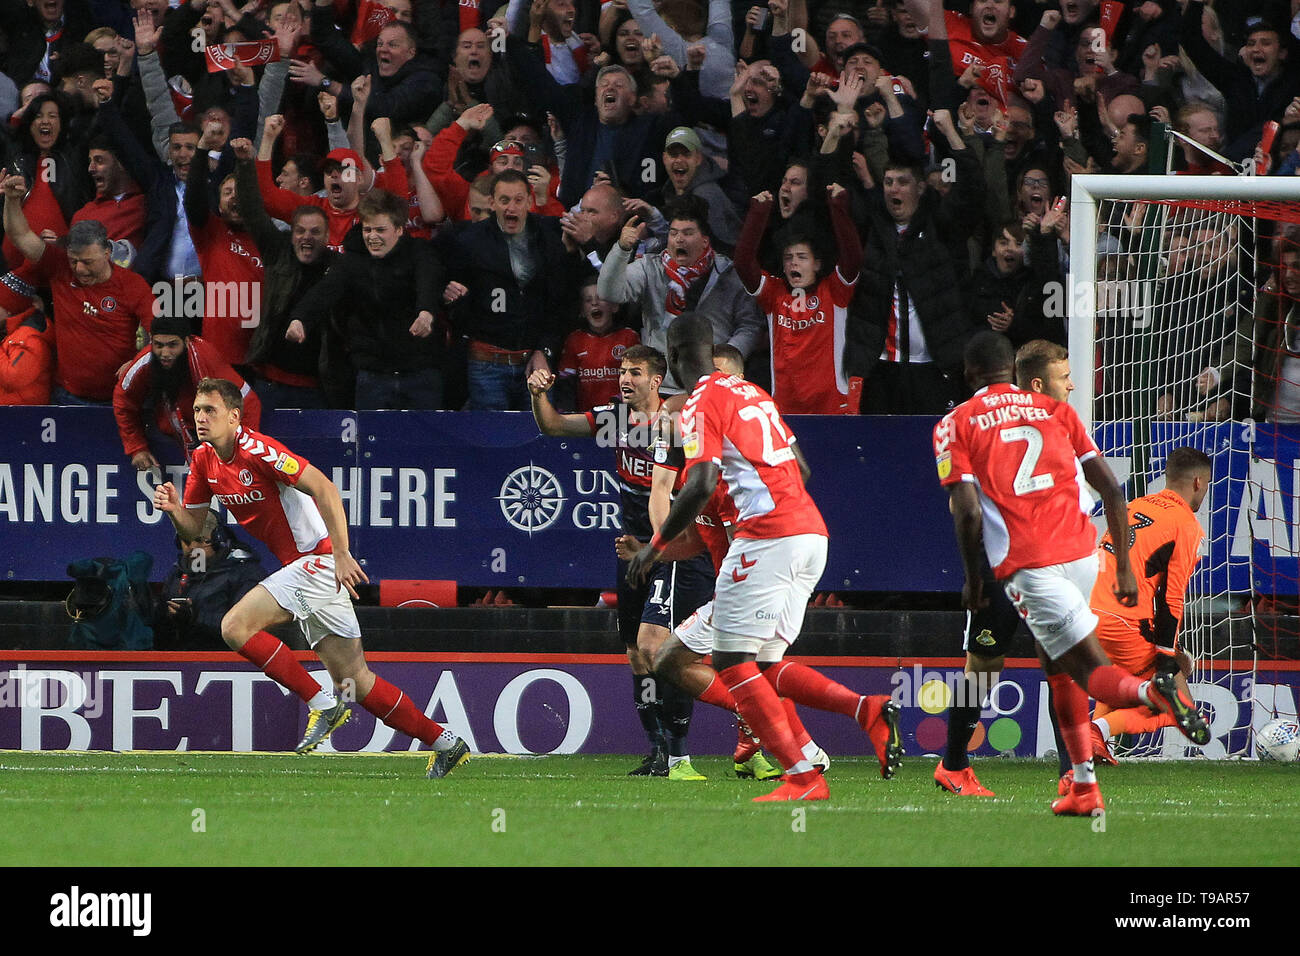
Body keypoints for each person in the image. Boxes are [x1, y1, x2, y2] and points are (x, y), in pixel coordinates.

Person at [934, 331, 1211, 816]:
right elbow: (1107, 487)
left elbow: (966, 506)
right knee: (997, 666)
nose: (1073, 387)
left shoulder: (961, 423)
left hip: (1042, 559)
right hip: (1027, 561)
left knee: (1060, 667)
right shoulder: (1043, 418)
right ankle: (956, 764)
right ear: (1033, 380)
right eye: (1065, 378)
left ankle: (1074, 774)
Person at [627, 312, 901, 801]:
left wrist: (656, 545)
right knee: (764, 664)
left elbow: (701, 482)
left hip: (767, 538)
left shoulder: (697, 403)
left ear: (670, 359)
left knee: (733, 662)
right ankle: (865, 710)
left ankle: (801, 774)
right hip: (809, 533)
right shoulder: (752, 393)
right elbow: (802, 467)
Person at [151, 377, 471, 776]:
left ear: (234, 417)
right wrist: (174, 511)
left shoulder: (259, 450)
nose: (199, 417)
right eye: (197, 410)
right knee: (356, 678)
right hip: (304, 569)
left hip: (317, 562)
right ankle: (446, 742)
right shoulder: (203, 460)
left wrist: (340, 553)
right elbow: (195, 530)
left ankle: (320, 703)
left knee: (234, 626)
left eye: (209, 410)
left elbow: (324, 487)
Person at [528, 345, 708, 778]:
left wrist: (660, 547)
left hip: (671, 551)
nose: (625, 379)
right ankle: (658, 750)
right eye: (622, 371)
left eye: (635, 372)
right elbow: (553, 426)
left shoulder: (678, 422)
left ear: (656, 380)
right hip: (630, 550)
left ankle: (681, 751)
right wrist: (538, 395)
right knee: (634, 652)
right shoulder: (612, 418)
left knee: (662, 647)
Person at [1086, 446, 1212, 770]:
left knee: (1120, 681)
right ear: (1198, 482)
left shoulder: (1134, 506)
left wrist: (1170, 649)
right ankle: (1097, 731)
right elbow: (1171, 598)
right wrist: (1167, 657)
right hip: (1124, 619)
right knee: (1178, 707)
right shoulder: (1186, 525)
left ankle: (1097, 744)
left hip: (1089, 614)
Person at [0, 194, 155, 405]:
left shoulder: (132, 285)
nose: (80, 269)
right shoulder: (58, 266)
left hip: (117, 397)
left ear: (108, 252)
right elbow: (20, 236)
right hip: (66, 396)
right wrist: (11, 199)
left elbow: (160, 332)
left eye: (88, 262)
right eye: (74, 261)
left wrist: (138, 364)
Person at [113, 314, 263, 471]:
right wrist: (137, 447)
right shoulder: (144, 362)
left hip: (214, 433)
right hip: (168, 433)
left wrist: (239, 453)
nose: (165, 353)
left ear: (186, 342)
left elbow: (248, 402)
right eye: (159, 345)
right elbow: (123, 400)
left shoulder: (206, 357)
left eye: (172, 345)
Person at [153, 511, 265, 650]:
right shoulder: (177, 573)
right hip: (182, 661)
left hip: (229, 664)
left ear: (218, 540)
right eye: (186, 541)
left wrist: (195, 618)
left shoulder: (246, 573)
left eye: (199, 540)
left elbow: (245, 627)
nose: (193, 548)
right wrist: (163, 615)